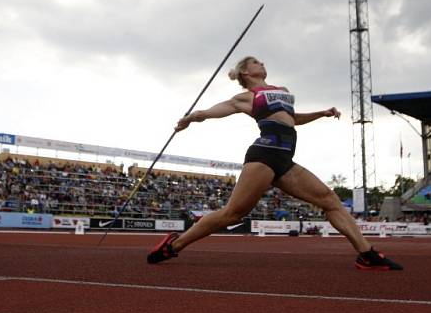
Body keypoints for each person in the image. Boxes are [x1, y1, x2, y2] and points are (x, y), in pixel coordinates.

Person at [147, 56, 402, 270]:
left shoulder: (283, 91)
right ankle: (174, 245)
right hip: (264, 154)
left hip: (285, 158)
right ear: (247, 72)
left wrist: (320, 114)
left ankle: (366, 254)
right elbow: (214, 111)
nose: (262, 62)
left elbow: (292, 119)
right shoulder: (247, 97)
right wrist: (191, 118)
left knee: (330, 200)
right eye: (257, 61)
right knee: (233, 214)